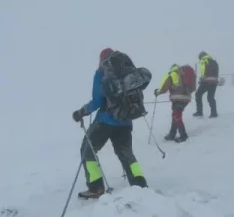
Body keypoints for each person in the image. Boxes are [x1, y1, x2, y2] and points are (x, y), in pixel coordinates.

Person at [72, 48, 148, 198]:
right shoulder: (128, 75)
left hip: (105, 122)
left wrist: (81, 112)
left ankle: (96, 187)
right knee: (127, 154)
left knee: (88, 150)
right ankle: (140, 185)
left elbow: (97, 101)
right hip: (125, 122)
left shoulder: (101, 74)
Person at [155, 64, 193, 142]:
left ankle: (183, 135)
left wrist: (157, 92)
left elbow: (164, 87)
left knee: (177, 116)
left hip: (178, 98)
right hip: (186, 98)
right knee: (175, 115)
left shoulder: (172, 74)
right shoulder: (183, 74)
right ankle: (172, 134)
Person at [193, 51, 219, 118]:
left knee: (198, 94)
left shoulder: (203, 60)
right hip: (214, 82)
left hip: (207, 82)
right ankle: (214, 113)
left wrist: (202, 79)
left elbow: (203, 71)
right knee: (210, 97)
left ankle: (199, 112)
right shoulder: (214, 62)